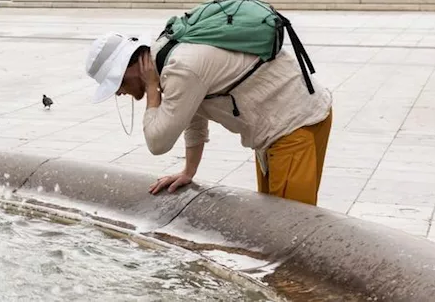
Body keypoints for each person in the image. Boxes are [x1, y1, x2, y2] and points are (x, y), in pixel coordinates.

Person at [83, 30, 333, 206]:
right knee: (274, 222)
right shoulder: (169, 55)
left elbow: (157, 143)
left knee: (288, 230)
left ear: (130, 67)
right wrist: (189, 171)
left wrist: (151, 90)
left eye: (118, 83)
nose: (120, 92)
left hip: (293, 124)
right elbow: (191, 112)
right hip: (278, 127)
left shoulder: (179, 68)